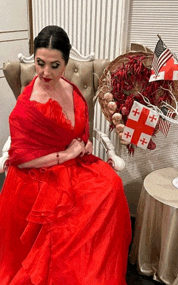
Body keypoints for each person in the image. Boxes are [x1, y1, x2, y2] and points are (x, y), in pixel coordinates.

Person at [0, 25, 131, 285]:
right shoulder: (27, 106)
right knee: (66, 221)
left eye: (54, 65)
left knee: (112, 186)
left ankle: (97, 265)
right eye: (40, 63)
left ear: (66, 64)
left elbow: (80, 127)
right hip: (39, 172)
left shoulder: (71, 88)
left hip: (75, 163)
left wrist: (85, 143)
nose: (45, 72)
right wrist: (66, 154)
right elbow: (21, 159)